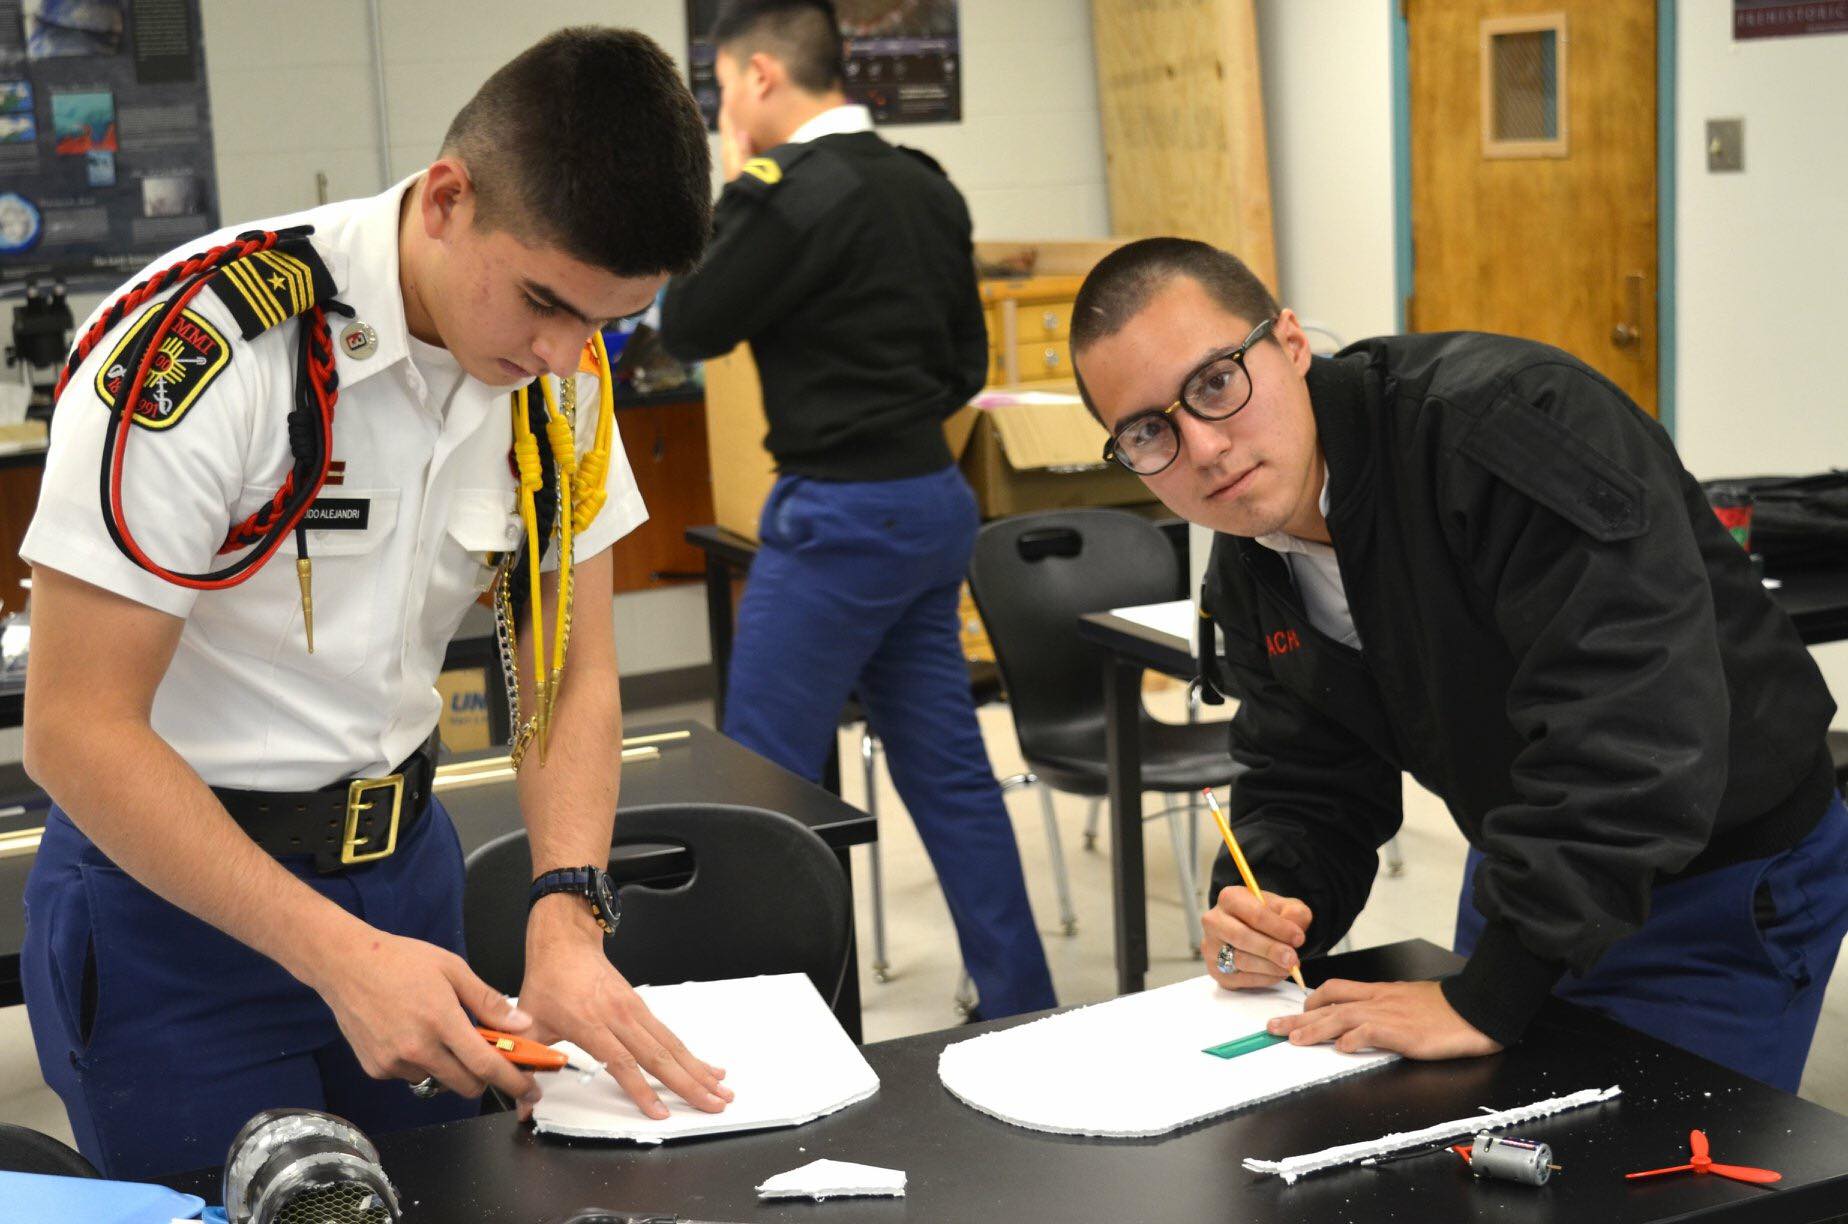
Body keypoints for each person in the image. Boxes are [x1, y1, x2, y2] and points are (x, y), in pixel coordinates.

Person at [19, 27, 734, 1179]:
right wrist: (337, 957)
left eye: (604, 320)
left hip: (408, 880)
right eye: (546, 301)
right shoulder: (209, 347)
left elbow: (565, 671)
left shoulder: (560, 377)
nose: (564, 353)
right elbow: (72, 728)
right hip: (174, 909)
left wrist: (565, 908)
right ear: (447, 200)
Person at [1067, 236, 1848, 1091]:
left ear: (1291, 343)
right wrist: (1275, 902)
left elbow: (1637, 733)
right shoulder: (1251, 564)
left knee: (1660, 1178)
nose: (1204, 448)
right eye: (1148, 432)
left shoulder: (1507, 429)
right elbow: (1308, 780)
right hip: (1530, 854)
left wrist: (1491, 993)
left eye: (1216, 384)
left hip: (1718, 874)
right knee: (1498, 1150)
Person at [660, 0, 1056, 1018]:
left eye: (720, 88)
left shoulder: (780, 195)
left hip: (839, 520)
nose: (721, 108)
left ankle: (772, 1020)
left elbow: (690, 321)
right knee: (949, 773)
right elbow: (967, 362)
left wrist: (721, 174)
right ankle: (1019, 1001)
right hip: (930, 502)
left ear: (756, 80)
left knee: (758, 787)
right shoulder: (923, 186)